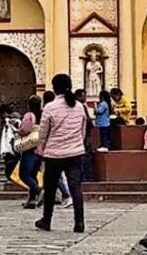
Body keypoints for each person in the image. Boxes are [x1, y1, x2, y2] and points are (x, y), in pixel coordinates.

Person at [34, 73, 87, 234]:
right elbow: (83, 130)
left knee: (50, 188)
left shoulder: (50, 107)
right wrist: (77, 143)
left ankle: (47, 220)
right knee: (75, 187)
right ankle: (79, 222)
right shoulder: (79, 107)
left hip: (54, 154)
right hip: (75, 153)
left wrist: (41, 147)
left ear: (55, 88)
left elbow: (43, 132)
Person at [17, 95, 43, 209]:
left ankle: (39, 191)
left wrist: (18, 130)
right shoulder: (43, 115)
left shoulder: (29, 116)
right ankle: (31, 201)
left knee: (23, 174)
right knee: (33, 174)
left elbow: (24, 130)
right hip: (40, 149)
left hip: (30, 148)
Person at [0, 103, 23, 188]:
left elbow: (12, 136)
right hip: (9, 149)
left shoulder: (11, 122)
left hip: (11, 149)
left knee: (10, 166)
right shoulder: (9, 122)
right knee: (10, 166)